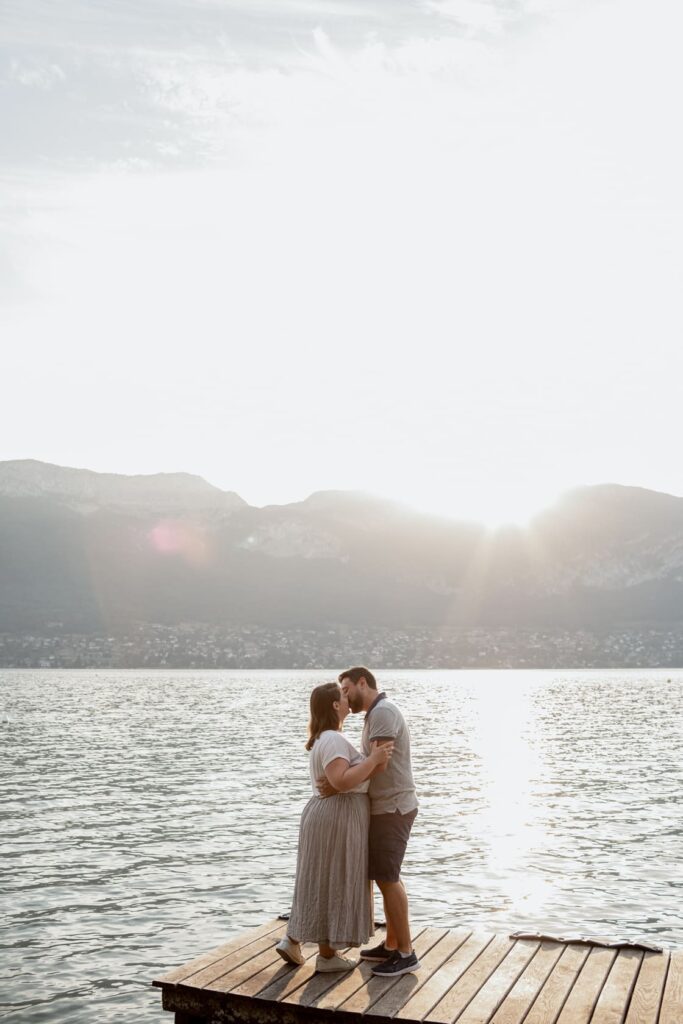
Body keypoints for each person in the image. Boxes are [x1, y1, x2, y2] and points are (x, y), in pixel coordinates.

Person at [276, 681, 394, 973]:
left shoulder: (325, 738)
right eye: (343, 695)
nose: (348, 698)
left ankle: (296, 938)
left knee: (321, 879)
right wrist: (375, 759)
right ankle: (325, 954)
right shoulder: (332, 739)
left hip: (328, 815)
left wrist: (366, 764)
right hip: (337, 816)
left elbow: (338, 779)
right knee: (333, 880)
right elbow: (341, 781)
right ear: (334, 706)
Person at [320, 667, 419, 977]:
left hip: (394, 806)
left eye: (347, 688)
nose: (345, 695)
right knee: (384, 876)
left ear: (363, 682)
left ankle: (406, 953)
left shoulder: (384, 713)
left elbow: (380, 763)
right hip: (383, 807)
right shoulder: (373, 715)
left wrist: (338, 783)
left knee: (389, 878)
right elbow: (370, 762)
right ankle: (391, 944)